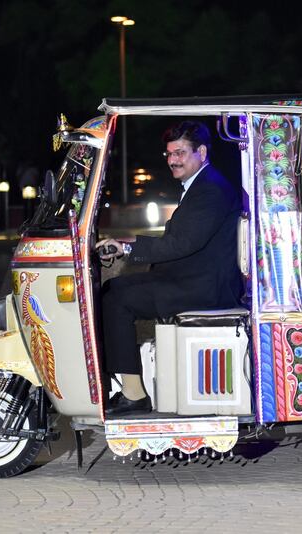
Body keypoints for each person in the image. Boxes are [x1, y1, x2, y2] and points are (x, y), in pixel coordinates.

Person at [96, 121, 242, 417]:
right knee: (113, 288)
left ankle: (134, 394)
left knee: (117, 299)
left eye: (180, 153)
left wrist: (129, 248)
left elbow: (182, 243)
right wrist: (124, 242)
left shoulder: (211, 190)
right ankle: (120, 383)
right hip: (192, 277)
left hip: (204, 288)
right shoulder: (200, 185)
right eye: (170, 154)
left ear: (201, 152)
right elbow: (179, 241)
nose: (173, 160)